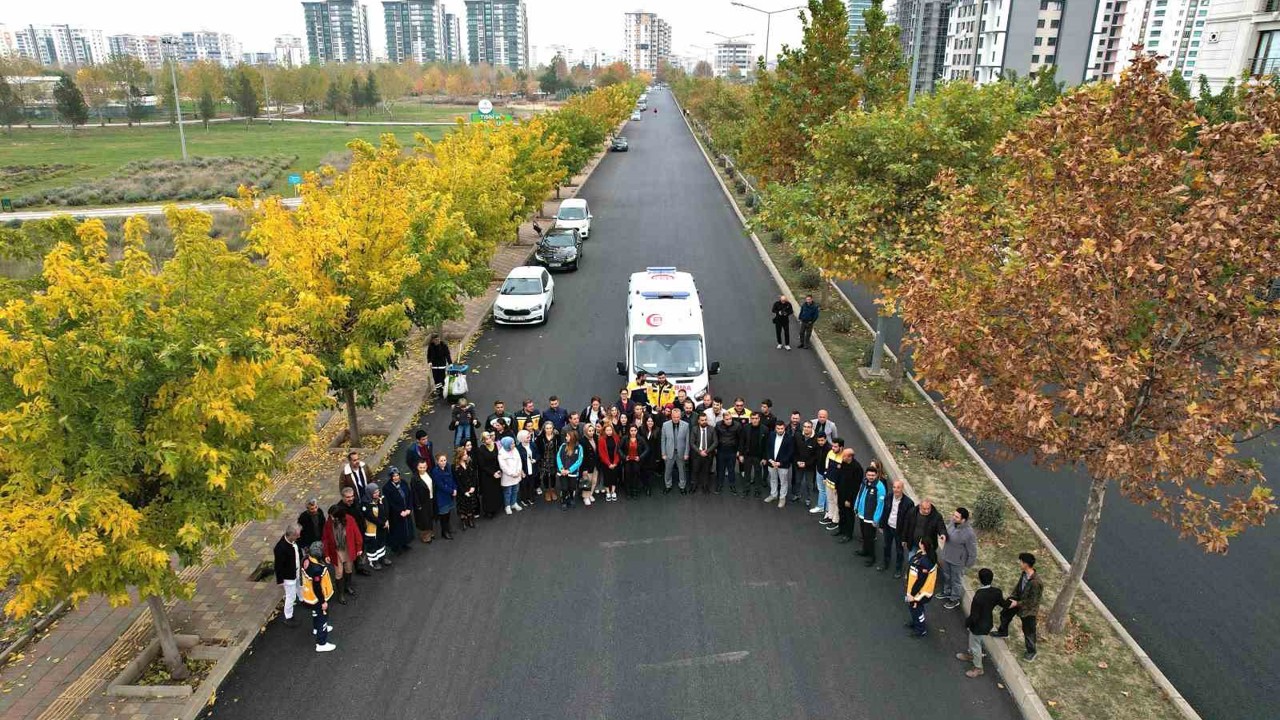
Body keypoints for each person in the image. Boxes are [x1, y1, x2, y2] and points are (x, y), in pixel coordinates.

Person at [993, 552, 1043, 661]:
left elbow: (1032, 601)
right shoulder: (1024, 573)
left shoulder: (1036, 583)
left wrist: (1017, 603)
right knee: (1005, 614)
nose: (1019, 563)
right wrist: (1012, 598)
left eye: (1021, 561)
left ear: (1026, 564)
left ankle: (1031, 651)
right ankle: (1003, 632)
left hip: (1029, 610)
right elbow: (1019, 587)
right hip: (1018, 600)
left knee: (1028, 630)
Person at [959, 568, 1004, 678]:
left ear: (980, 579)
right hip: (987, 622)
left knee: (975, 645)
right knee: (974, 641)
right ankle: (972, 655)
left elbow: (974, 615)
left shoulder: (979, 596)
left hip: (978, 626)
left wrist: (967, 623)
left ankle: (978, 668)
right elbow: (1003, 603)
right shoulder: (997, 592)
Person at [299, 542, 336, 652]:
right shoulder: (317, 569)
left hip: (309, 596)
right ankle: (321, 643)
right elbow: (317, 588)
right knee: (322, 618)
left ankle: (316, 628)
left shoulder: (306, 559)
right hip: (317, 598)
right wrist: (323, 601)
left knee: (315, 614)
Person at [322, 504, 363, 603]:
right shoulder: (329, 523)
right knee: (339, 573)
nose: (330, 517)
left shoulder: (350, 519)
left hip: (348, 549)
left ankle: (347, 586)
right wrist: (326, 554)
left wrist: (359, 548)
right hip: (336, 551)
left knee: (348, 569)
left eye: (332, 515)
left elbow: (356, 533)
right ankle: (340, 594)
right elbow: (325, 539)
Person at [939, 507, 979, 609]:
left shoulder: (969, 533)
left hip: (958, 562)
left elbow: (972, 550)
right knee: (946, 576)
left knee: (956, 580)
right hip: (947, 556)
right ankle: (947, 592)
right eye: (954, 515)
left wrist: (968, 564)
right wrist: (944, 535)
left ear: (963, 520)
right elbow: (946, 531)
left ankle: (954, 599)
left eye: (956, 517)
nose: (953, 517)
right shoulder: (952, 523)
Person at [854, 465, 889, 566]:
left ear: (876, 475)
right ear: (866, 474)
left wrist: (876, 519)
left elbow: (880, 505)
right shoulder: (864, 482)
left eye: (873, 475)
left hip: (870, 518)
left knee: (870, 537)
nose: (870, 477)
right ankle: (865, 550)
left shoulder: (880, 487)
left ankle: (872, 557)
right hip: (861, 513)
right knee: (864, 535)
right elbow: (859, 494)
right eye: (869, 475)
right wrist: (856, 507)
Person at [880, 479, 916, 577]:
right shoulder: (888, 497)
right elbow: (885, 512)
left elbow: (909, 522)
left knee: (899, 550)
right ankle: (885, 563)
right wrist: (881, 525)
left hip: (899, 530)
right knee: (886, 546)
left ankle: (898, 569)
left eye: (898, 487)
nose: (896, 490)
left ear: (902, 489)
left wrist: (905, 537)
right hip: (888, 526)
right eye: (894, 487)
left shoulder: (909, 503)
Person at [905, 539, 939, 637]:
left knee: (916, 610)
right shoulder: (922, 554)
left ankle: (921, 629)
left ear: (923, 545)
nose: (918, 543)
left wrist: (912, 594)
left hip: (919, 593)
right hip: (916, 589)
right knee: (915, 609)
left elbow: (920, 581)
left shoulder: (925, 562)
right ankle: (916, 622)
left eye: (920, 542)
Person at [273, 523, 303, 627]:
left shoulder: (292, 542)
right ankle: (288, 617)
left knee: (299, 586)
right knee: (290, 597)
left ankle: (302, 599)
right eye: (297, 535)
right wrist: (280, 580)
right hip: (288, 576)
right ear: (291, 535)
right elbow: (278, 566)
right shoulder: (280, 548)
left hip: (296, 571)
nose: (299, 537)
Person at [337, 488, 370, 576]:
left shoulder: (356, 502)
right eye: (348, 497)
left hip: (360, 531)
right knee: (351, 553)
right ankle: (348, 571)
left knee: (360, 550)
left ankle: (360, 567)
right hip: (349, 535)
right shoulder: (340, 509)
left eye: (352, 496)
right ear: (343, 497)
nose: (351, 499)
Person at [382, 467, 415, 555]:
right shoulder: (386, 488)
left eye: (397, 475)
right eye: (394, 476)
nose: (396, 477)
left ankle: (404, 543)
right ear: (390, 477)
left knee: (406, 528)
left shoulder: (403, 482)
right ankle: (396, 547)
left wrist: (409, 508)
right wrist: (400, 511)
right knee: (397, 530)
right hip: (395, 514)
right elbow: (390, 502)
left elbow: (409, 495)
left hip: (406, 511)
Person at [834, 448, 863, 542]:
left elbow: (855, 486)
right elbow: (839, 476)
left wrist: (849, 499)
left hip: (849, 497)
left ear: (850, 457)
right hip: (841, 493)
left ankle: (848, 534)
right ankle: (841, 529)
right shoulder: (844, 463)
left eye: (844, 455)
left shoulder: (857, 468)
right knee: (841, 512)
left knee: (849, 515)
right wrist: (836, 487)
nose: (842, 457)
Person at [356, 484, 388, 570]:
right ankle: (374, 561)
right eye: (374, 493)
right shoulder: (365, 505)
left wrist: (386, 520)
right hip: (371, 530)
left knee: (381, 543)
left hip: (380, 528)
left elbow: (385, 511)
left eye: (378, 491)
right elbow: (372, 518)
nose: (377, 494)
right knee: (372, 546)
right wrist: (383, 523)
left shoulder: (380, 499)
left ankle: (382, 557)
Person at [763, 420, 794, 508]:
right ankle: (773, 495)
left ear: (784, 428)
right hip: (772, 463)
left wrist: (780, 462)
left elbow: (790, 453)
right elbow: (767, 448)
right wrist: (770, 460)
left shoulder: (789, 437)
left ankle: (782, 498)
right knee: (773, 479)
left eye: (782, 428)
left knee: (783, 481)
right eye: (778, 428)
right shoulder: (771, 435)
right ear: (775, 428)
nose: (780, 430)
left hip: (783, 465)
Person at [661, 407, 691, 494]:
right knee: (668, 470)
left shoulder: (686, 425)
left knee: (682, 471)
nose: (676, 419)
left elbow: (687, 440)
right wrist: (663, 453)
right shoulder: (665, 425)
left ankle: (682, 486)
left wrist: (686, 453)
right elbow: (663, 440)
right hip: (669, 452)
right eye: (674, 417)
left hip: (681, 453)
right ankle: (668, 485)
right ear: (671, 416)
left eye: (678, 417)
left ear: (680, 416)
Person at [429, 453, 458, 540]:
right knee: (443, 515)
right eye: (441, 461)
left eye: (444, 460)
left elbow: (453, 479)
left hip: (450, 495)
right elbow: (440, 485)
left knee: (448, 513)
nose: (443, 462)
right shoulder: (435, 471)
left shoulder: (448, 467)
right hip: (442, 496)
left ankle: (448, 528)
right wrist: (452, 491)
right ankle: (444, 532)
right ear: (437, 462)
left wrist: (455, 488)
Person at [474, 432, 503, 519]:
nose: (489, 439)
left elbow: (498, 459)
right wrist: (492, 473)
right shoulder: (481, 449)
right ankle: (488, 511)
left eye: (490, 437)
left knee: (496, 491)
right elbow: (482, 465)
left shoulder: (495, 446)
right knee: (488, 493)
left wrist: (499, 470)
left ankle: (496, 508)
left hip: (496, 473)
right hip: (486, 475)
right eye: (486, 438)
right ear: (483, 440)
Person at [739, 413, 767, 498]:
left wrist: (764, 458)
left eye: (756, 418)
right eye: (752, 418)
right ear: (750, 419)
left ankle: (757, 491)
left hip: (758, 456)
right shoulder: (746, 428)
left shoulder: (765, 429)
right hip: (747, 455)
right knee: (747, 474)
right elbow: (742, 442)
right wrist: (741, 454)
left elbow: (766, 445)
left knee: (758, 474)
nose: (754, 420)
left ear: (759, 419)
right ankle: (746, 490)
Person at [688, 411, 717, 494]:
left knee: (706, 471)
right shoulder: (694, 429)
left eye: (705, 420)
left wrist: (706, 451)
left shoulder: (712, 429)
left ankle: (705, 486)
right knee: (695, 471)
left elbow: (715, 442)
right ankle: (694, 486)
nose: (704, 422)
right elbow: (692, 442)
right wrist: (700, 452)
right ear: (698, 421)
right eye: (702, 420)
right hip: (696, 455)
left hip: (708, 454)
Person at [713, 412, 741, 495]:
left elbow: (740, 438)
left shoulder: (737, 425)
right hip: (721, 451)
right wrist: (715, 448)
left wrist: (739, 451)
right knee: (720, 469)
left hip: (732, 451)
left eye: (730, 419)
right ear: (723, 419)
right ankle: (719, 485)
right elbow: (715, 437)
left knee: (731, 469)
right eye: (727, 419)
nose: (729, 421)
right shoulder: (718, 425)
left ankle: (732, 485)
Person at [792, 420, 819, 507]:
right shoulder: (797, 435)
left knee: (809, 483)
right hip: (799, 464)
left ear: (812, 428)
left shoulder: (816, 439)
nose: (806, 429)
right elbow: (794, 450)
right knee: (797, 481)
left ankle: (809, 498)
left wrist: (806, 464)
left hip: (809, 466)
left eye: (808, 427)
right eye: (805, 427)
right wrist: (797, 461)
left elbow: (815, 455)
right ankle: (797, 494)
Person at [821, 438, 846, 528]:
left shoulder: (844, 457)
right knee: (830, 500)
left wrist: (838, 486)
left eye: (835, 447)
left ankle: (836, 521)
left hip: (837, 486)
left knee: (837, 503)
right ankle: (830, 516)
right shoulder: (830, 453)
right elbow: (826, 467)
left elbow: (844, 475)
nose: (833, 448)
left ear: (841, 447)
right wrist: (825, 477)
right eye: (833, 446)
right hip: (828, 482)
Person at [557, 430, 584, 510]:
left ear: (572, 438)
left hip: (572, 473)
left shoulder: (579, 447)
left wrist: (569, 470)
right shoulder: (563, 445)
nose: (566, 437)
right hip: (562, 472)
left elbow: (579, 461)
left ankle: (571, 498)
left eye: (567, 436)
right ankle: (564, 501)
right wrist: (561, 468)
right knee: (564, 488)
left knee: (572, 487)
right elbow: (558, 457)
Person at [409, 460, 435, 543]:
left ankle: (430, 533)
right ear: (417, 467)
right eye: (420, 467)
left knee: (430, 516)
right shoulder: (414, 479)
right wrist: (418, 505)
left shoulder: (429, 473)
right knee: (423, 519)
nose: (422, 469)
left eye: (424, 467)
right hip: (421, 502)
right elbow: (414, 493)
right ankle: (425, 536)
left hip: (430, 498)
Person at [535, 422, 561, 504]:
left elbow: (560, 447)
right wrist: (539, 458)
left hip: (553, 459)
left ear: (553, 428)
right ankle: (547, 491)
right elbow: (537, 449)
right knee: (545, 475)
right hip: (544, 459)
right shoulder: (540, 437)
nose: (549, 430)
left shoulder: (557, 436)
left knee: (553, 475)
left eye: (550, 428)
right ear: (544, 429)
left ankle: (552, 490)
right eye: (547, 428)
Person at [621, 423, 648, 498]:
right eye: (631, 430)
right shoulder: (625, 438)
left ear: (637, 431)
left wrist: (640, 457)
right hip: (628, 461)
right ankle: (628, 492)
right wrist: (624, 456)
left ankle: (635, 491)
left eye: (635, 430)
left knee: (635, 476)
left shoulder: (641, 438)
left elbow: (646, 449)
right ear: (629, 431)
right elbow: (619, 449)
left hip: (636, 461)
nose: (633, 432)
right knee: (627, 476)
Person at [455, 447, 480, 528]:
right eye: (464, 454)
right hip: (462, 490)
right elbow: (457, 481)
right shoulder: (455, 467)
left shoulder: (469, 463)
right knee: (462, 507)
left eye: (466, 454)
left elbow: (473, 476)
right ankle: (463, 521)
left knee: (470, 505)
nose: (466, 455)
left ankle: (470, 519)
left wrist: (473, 486)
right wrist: (464, 491)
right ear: (460, 456)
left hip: (470, 488)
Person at [498, 436, 523, 514]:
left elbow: (519, 460)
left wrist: (519, 471)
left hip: (517, 474)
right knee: (508, 492)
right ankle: (507, 506)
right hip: (508, 476)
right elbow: (503, 466)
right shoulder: (501, 453)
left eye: (513, 443)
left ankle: (513, 503)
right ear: (506, 444)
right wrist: (512, 473)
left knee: (515, 490)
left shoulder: (515, 450)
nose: (514, 445)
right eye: (512, 443)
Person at [515, 429, 538, 507]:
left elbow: (538, 454)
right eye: (527, 438)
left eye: (530, 437)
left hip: (533, 469)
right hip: (524, 470)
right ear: (521, 439)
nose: (530, 439)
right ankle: (524, 499)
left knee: (531, 484)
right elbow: (517, 462)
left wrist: (535, 459)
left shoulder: (533, 445)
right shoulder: (518, 449)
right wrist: (521, 472)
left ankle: (531, 497)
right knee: (524, 486)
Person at [641, 416, 662, 496]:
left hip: (653, 455)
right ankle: (644, 483)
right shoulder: (641, 429)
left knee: (649, 472)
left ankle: (648, 487)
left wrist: (658, 457)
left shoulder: (658, 430)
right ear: (645, 422)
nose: (650, 423)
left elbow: (659, 444)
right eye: (648, 421)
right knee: (643, 471)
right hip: (643, 454)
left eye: (651, 421)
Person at [810, 433, 829, 515]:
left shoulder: (829, 449)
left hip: (827, 474)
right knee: (821, 490)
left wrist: (826, 475)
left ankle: (828, 510)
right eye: (819, 440)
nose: (820, 442)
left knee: (828, 492)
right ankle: (821, 506)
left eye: (822, 440)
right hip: (819, 471)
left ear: (825, 439)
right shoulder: (817, 447)